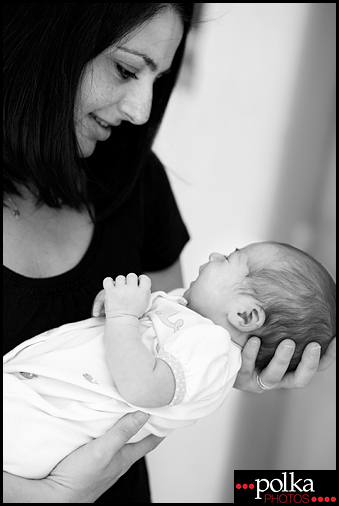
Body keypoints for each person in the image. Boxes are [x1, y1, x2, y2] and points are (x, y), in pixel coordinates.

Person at [3, 3, 335, 503]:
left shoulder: (135, 183)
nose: (141, 110)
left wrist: (235, 372)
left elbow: (159, 365)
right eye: (125, 68)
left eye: (156, 79)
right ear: (44, 38)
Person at [3, 241, 336, 480]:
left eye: (231, 258)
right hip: (36, 400)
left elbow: (141, 386)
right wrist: (119, 304)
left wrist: (122, 315)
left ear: (245, 314)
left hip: (45, 426)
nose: (214, 255)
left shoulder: (212, 350)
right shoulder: (190, 315)